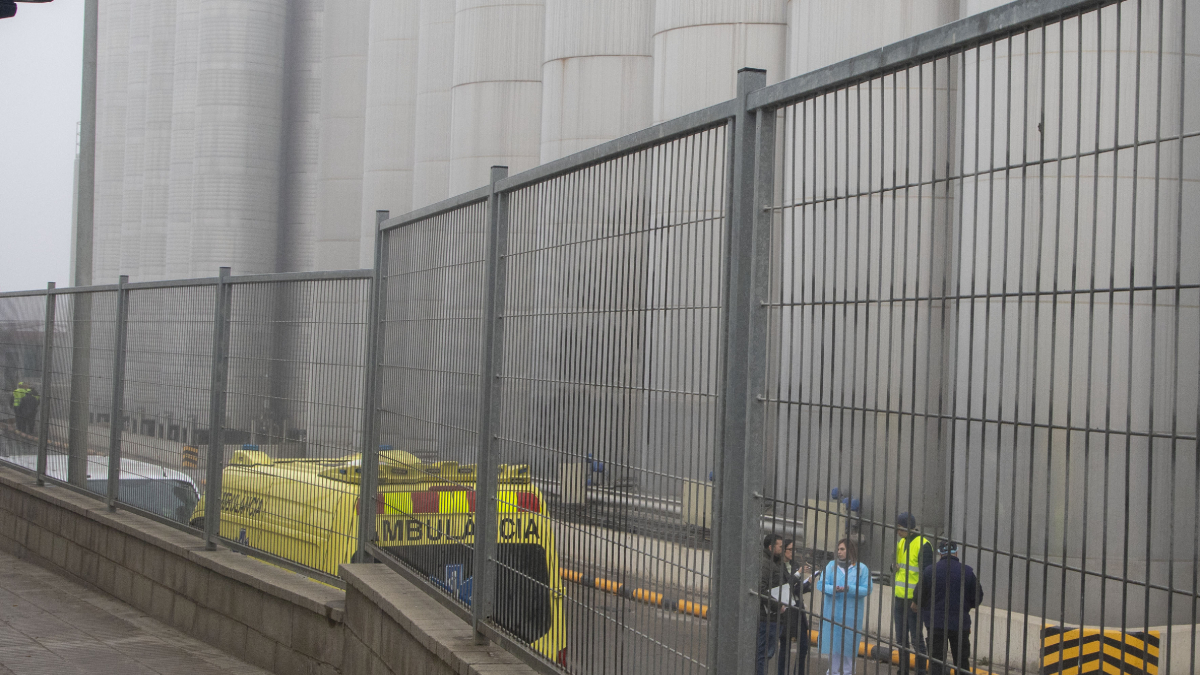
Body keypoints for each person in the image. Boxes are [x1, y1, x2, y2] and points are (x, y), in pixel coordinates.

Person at [917, 540, 984, 675]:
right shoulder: (968, 572)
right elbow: (978, 596)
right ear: (956, 552)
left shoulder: (930, 571)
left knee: (936, 661)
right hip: (959, 623)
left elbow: (919, 595)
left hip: (935, 623)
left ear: (940, 554)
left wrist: (926, 608)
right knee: (961, 662)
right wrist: (966, 607)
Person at [819, 538, 872, 675]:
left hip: (851, 616)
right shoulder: (831, 566)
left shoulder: (861, 569)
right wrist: (834, 589)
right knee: (834, 648)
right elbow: (821, 584)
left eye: (842, 549)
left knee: (849, 648)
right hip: (833, 614)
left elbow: (867, 589)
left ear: (850, 550)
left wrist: (850, 588)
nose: (839, 552)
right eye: (838, 549)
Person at [892, 512, 934, 673]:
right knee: (901, 639)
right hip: (900, 598)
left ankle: (921, 671)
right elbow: (900, 567)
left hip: (913, 601)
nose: (897, 531)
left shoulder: (923, 545)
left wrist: (917, 600)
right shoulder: (902, 543)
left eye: (900, 528)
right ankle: (902, 670)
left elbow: (927, 576)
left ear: (910, 528)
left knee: (916, 640)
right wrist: (893, 568)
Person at [778, 539, 814, 675]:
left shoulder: (794, 565)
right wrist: (798, 574)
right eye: (790, 549)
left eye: (795, 549)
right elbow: (785, 588)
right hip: (786, 609)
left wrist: (807, 583)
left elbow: (796, 589)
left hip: (798, 608)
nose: (793, 552)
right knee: (785, 646)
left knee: (803, 645)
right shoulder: (778, 566)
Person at [757, 534, 788, 675]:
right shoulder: (766, 563)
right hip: (767, 617)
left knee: (765, 654)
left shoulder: (776, 563)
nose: (783, 549)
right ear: (771, 547)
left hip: (774, 617)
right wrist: (777, 606)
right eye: (780, 546)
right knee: (762, 654)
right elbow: (761, 588)